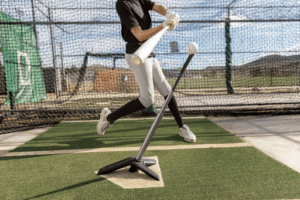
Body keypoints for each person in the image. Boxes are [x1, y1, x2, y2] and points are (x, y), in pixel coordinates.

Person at [97, 0, 196, 142]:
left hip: (148, 52)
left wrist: (169, 13)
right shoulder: (122, 4)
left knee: (166, 89)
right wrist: (163, 25)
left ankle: (182, 127)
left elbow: (157, 7)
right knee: (147, 99)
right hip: (137, 55)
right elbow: (139, 35)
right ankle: (109, 118)